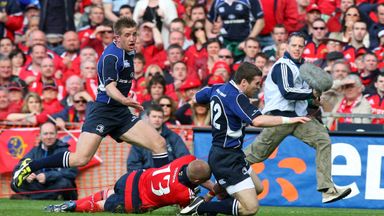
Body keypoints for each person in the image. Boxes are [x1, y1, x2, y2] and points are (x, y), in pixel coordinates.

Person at [12, 17, 169, 189]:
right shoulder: (111, 57)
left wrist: (124, 104)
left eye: (134, 34)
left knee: (159, 144)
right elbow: (110, 88)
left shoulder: (128, 51)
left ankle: (163, 192)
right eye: (127, 35)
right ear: (116, 37)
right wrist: (126, 100)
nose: (132, 39)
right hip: (103, 112)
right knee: (81, 158)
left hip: (121, 113)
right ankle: (30, 166)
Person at [180, 62, 311, 216]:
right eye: (256, 83)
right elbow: (258, 121)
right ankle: (200, 208)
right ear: (243, 82)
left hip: (231, 154)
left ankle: (208, 203)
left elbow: (197, 97)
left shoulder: (217, 88)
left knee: (258, 188)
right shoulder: (237, 97)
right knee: (250, 208)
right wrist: (290, 119)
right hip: (226, 157)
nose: (258, 87)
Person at [243, 32, 352, 204]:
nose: (297, 49)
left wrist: (313, 100)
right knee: (255, 155)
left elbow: (302, 95)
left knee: (323, 140)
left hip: (298, 118)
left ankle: (327, 189)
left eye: (300, 46)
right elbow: (287, 92)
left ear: (304, 48)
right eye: (294, 45)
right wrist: (310, 94)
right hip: (278, 118)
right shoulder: (282, 65)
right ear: (286, 46)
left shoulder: (303, 67)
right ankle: (226, 168)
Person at [45, 155, 212, 213]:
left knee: (109, 193)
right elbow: (185, 210)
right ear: (197, 181)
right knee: (102, 205)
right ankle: (73, 207)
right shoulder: (184, 193)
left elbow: (196, 170)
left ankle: (71, 204)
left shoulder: (187, 159)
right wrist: (213, 193)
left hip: (132, 178)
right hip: (134, 201)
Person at [11, 122, 78, 200]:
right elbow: (18, 168)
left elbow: (71, 173)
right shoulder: (34, 151)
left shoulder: (64, 150)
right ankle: (48, 197)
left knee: (65, 183)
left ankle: (31, 198)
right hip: (40, 186)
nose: (48, 137)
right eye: (45, 134)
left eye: (51, 133)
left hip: (55, 184)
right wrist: (27, 175)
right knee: (14, 183)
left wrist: (47, 176)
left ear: (57, 135)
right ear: (40, 136)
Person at [127, 104, 190, 171]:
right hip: (147, 177)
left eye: (160, 117)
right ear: (148, 118)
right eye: (154, 116)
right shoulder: (141, 139)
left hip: (169, 175)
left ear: (163, 119)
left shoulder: (173, 137)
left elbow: (184, 158)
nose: (157, 119)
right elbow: (133, 165)